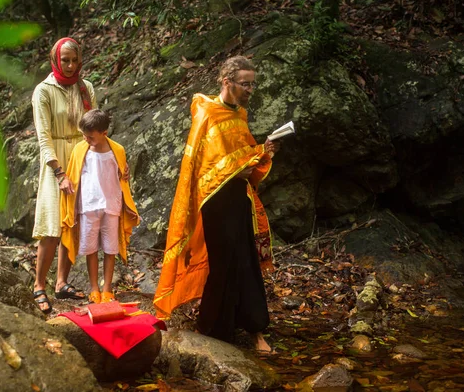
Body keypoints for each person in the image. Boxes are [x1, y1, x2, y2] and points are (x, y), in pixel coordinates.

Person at [153, 56, 279, 352]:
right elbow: (201, 164)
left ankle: (254, 328)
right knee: (222, 264)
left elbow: (244, 155)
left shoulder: (240, 115)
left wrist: (264, 152)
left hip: (238, 197)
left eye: (253, 84)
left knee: (246, 260)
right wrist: (240, 166)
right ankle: (211, 327)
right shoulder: (207, 113)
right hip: (215, 200)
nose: (251, 89)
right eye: (245, 83)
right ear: (227, 82)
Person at [32, 37, 97, 314]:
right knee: (52, 225)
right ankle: (38, 285)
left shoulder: (86, 88)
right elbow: (43, 138)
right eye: (65, 61)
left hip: (81, 155)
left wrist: (106, 158)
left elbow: (95, 126)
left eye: (74, 60)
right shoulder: (43, 91)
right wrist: (59, 172)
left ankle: (61, 283)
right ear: (56, 60)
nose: (70, 66)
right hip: (56, 160)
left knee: (74, 221)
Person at [60, 109, 140, 304]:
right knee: (91, 249)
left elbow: (123, 176)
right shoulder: (80, 149)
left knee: (110, 248)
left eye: (91, 137)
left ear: (104, 133)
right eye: (84, 136)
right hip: (88, 205)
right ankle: (94, 288)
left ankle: (107, 289)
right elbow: (73, 174)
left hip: (111, 204)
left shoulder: (117, 150)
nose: (87, 140)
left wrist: (126, 175)